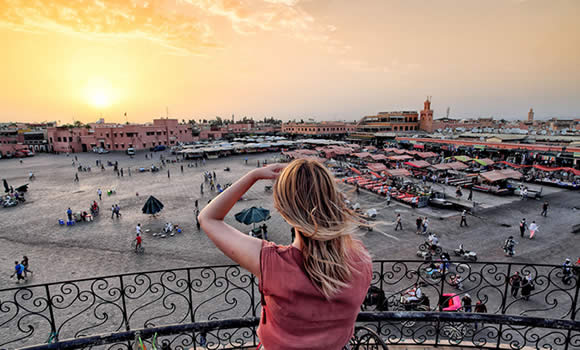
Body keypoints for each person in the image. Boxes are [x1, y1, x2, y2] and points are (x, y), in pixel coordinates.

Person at [198, 160, 372, 349]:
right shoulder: (361, 259)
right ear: (334, 199)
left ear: (282, 210)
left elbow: (208, 218)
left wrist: (254, 175)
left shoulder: (272, 264)